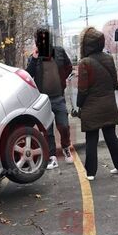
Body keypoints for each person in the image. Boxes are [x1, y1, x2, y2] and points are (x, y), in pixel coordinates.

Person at [77, 27, 118, 181]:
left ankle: (91, 173)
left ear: (86, 45)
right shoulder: (109, 58)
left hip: (91, 107)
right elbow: (114, 83)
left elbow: (83, 89)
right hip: (108, 105)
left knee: (91, 139)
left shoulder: (85, 63)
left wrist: (80, 105)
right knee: (111, 136)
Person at [26, 28, 74, 169]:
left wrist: (61, 81)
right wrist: (34, 60)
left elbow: (69, 67)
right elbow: (28, 75)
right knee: (47, 130)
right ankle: (52, 157)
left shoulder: (59, 51)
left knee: (63, 125)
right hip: (43, 99)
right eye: (39, 40)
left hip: (58, 97)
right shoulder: (34, 57)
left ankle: (66, 147)